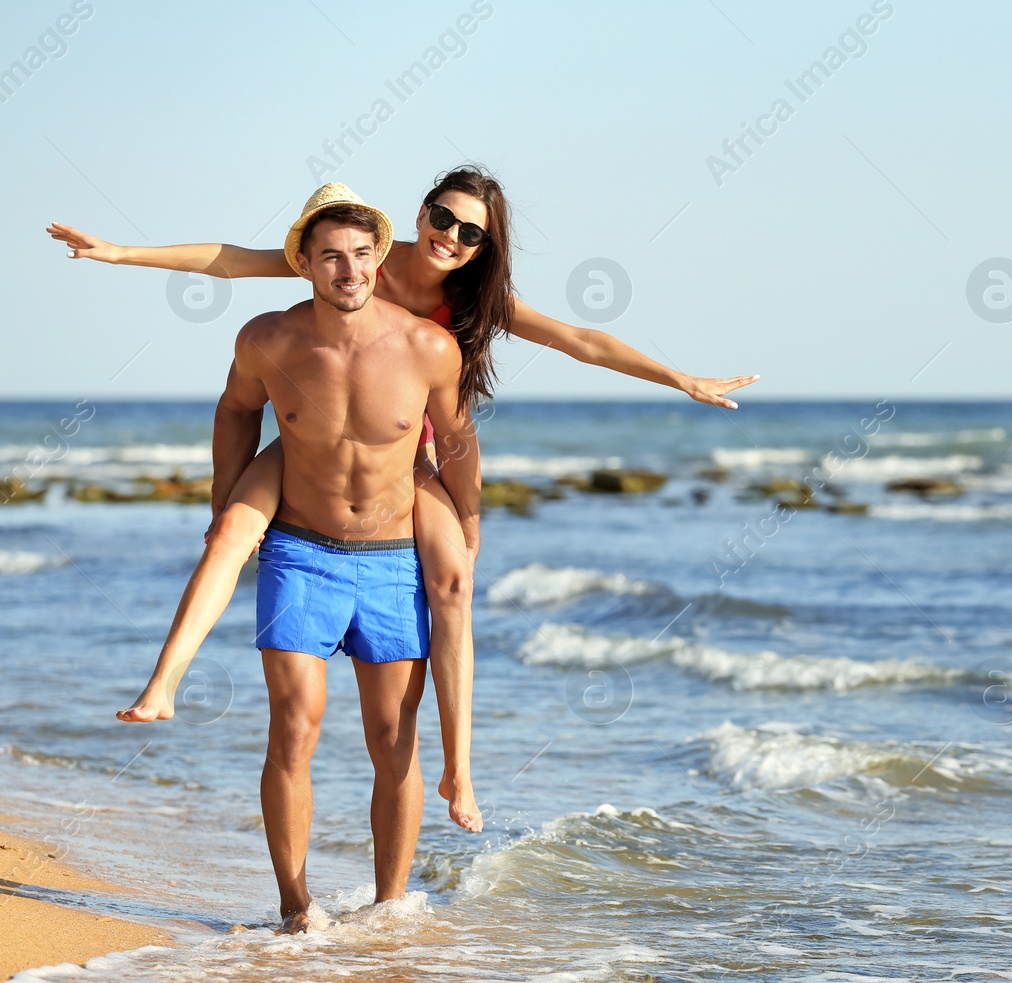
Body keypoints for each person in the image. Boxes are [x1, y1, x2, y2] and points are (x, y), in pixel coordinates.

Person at [48, 168, 760, 834]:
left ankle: (460, 772)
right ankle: (164, 684)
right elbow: (231, 259)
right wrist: (116, 253)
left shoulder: (475, 303)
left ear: (486, 244)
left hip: (410, 459)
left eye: (471, 231)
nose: (451, 235)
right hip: (314, 443)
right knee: (231, 529)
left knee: (454, 580)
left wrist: (679, 378)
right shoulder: (362, 261)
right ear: (421, 214)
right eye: (444, 217)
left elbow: (580, 341)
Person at [221, 192, 472, 932]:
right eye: (332, 255)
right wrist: (225, 504)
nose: (350, 269)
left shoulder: (428, 347)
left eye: (363, 254)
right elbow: (235, 409)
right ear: (305, 262)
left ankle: (391, 906)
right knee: (294, 725)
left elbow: (455, 438)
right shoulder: (268, 339)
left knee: (394, 737)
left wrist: (468, 524)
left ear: (379, 258)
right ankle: (296, 904)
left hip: (395, 558)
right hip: (302, 550)